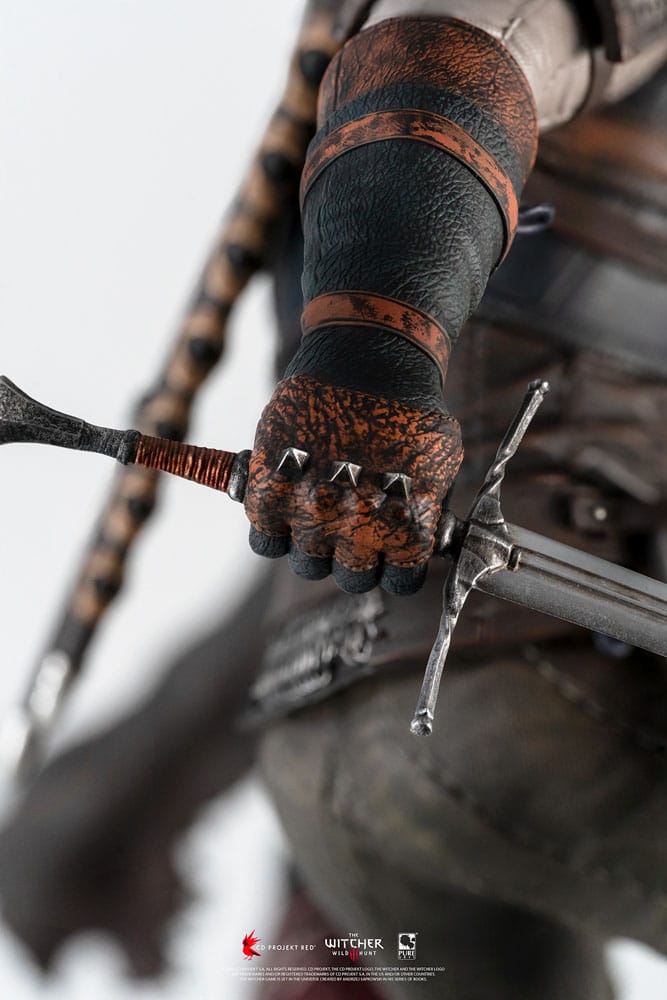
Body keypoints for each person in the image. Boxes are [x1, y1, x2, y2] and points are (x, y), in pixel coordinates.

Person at [0, 2, 665, 997]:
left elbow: (353, 543)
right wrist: (375, 348)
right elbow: (457, 47)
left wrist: (116, 785)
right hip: (536, 705)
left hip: (332, 762)